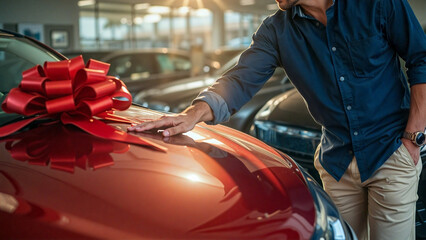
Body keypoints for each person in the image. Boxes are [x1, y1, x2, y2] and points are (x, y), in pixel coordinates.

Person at [129, 0, 426, 239]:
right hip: (338, 163)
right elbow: (240, 78)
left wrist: (414, 138)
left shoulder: (377, 4)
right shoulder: (276, 30)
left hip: (391, 152)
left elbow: (421, 60)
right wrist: (192, 114)